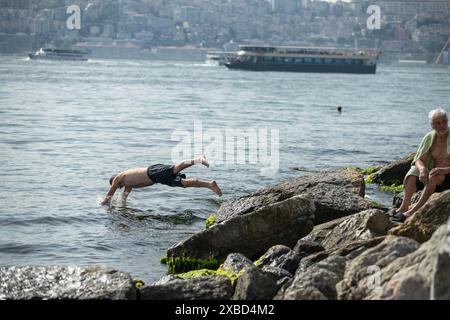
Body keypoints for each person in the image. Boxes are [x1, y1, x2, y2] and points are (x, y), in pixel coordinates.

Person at [392, 108, 450, 222]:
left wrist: (444, 170)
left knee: (434, 175)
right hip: (431, 177)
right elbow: (419, 160)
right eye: (438, 123)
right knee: (413, 171)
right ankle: (404, 206)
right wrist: (422, 169)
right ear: (431, 125)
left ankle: (412, 211)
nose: (442, 125)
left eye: (444, 121)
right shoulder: (429, 138)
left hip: (448, 176)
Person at [100, 155, 222, 205]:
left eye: (116, 185)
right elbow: (123, 199)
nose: (118, 187)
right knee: (184, 184)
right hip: (157, 179)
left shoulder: (119, 177)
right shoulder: (128, 185)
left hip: (152, 171)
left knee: (175, 168)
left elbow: (108, 196)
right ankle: (209, 184)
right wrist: (121, 207)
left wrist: (102, 203)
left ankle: (198, 159)